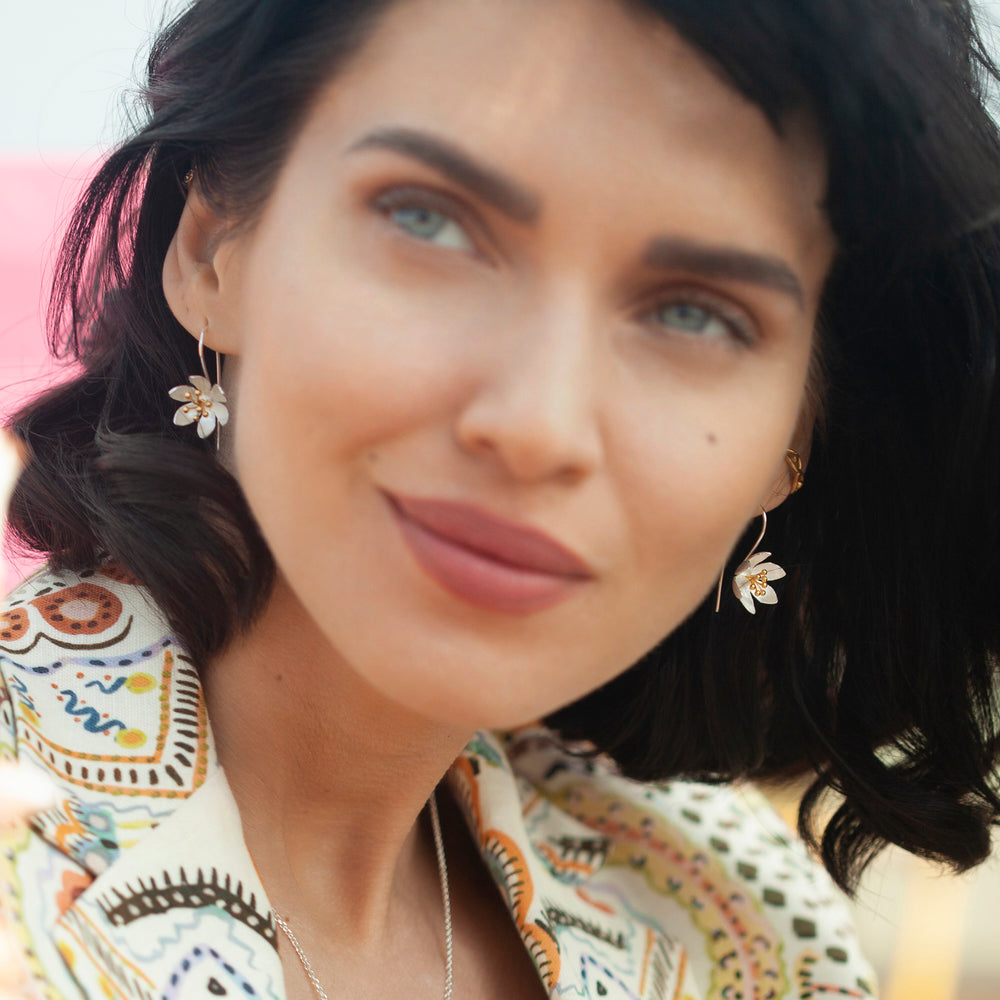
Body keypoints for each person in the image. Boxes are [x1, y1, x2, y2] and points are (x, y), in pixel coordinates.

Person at [2, 0, 1000, 996]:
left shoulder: (734, 923)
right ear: (212, 249)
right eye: (427, 220)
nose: (536, 425)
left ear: (792, 441)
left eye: (696, 313)